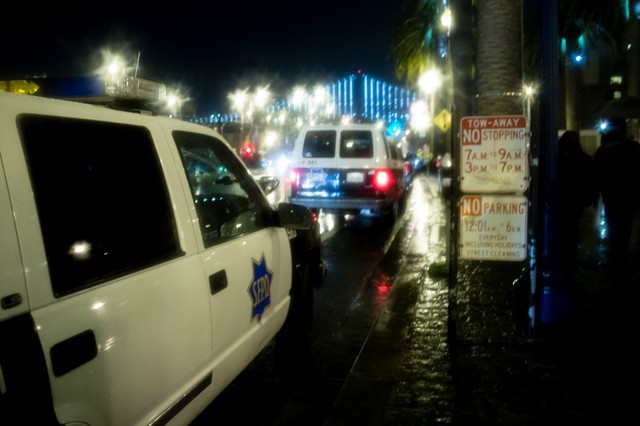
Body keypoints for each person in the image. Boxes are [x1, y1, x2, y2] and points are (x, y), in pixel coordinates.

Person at [593, 119, 640, 290]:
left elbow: (596, 174)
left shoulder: (604, 151)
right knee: (625, 228)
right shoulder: (634, 148)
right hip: (629, 197)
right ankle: (622, 260)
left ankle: (616, 263)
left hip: (612, 196)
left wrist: (596, 195)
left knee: (615, 229)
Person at [557, 130, 597, 282]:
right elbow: (591, 181)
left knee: (564, 230)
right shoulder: (584, 159)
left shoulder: (558, 159)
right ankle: (570, 261)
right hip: (575, 201)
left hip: (562, 200)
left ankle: (564, 259)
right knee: (571, 229)